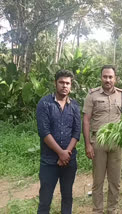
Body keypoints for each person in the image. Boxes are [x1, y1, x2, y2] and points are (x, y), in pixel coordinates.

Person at [82, 65, 122, 214]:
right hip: (98, 142)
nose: (108, 80)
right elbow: (86, 120)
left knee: (115, 181)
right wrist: (88, 145)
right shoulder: (92, 95)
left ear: (115, 79)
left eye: (110, 77)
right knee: (98, 181)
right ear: (101, 78)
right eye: (105, 76)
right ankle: (97, 210)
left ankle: (112, 210)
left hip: (116, 143)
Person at [36, 70, 81, 214]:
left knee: (67, 197)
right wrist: (60, 153)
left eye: (67, 83)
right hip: (49, 161)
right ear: (55, 83)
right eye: (61, 82)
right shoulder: (45, 104)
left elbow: (76, 131)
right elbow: (44, 132)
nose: (64, 86)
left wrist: (66, 153)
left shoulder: (74, 106)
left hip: (69, 161)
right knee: (45, 200)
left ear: (71, 86)